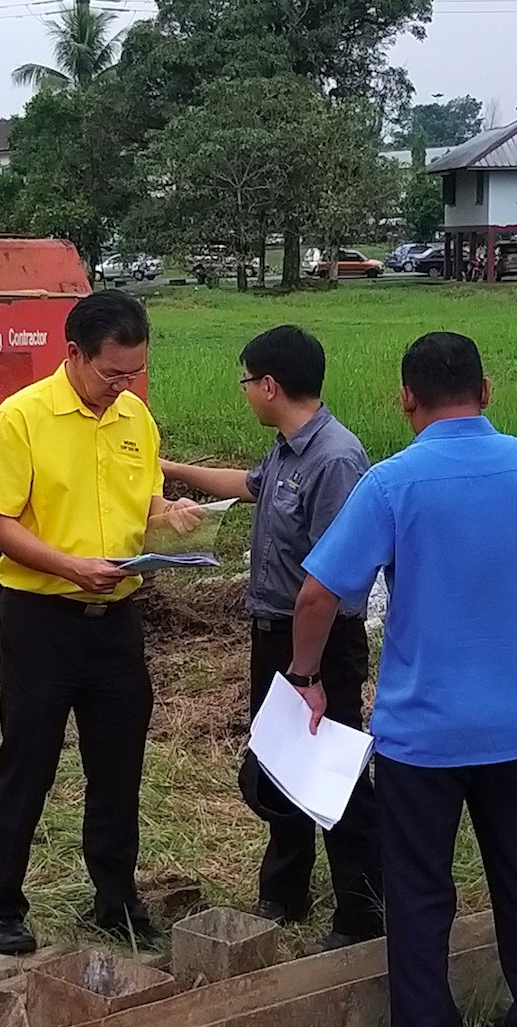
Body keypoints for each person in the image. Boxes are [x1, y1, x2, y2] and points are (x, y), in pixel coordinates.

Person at [289, 331, 517, 1027]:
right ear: (486, 391)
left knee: (419, 891)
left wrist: (305, 674)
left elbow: (317, 594)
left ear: (406, 398)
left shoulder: (393, 484)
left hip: (423, 736)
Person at [0, 290, 206, 954]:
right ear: (73, 353)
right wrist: (69, 567)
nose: (123, 385)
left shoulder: (134, 418)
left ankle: (115, 898)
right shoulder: (22, 418)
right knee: (28, 764)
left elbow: (143, 500)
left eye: (134, 372)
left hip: (116, 622)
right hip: (41, 620)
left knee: (118, 764)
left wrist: (171, 515)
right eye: (111, 373)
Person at [161, 325, 384, 950]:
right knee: (281, 762)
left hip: (317, 639)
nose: (244, 393)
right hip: (274, 632)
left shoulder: (335, 459)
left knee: (332, 773)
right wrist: (169, 468)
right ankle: (285, 892)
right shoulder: (289, 449)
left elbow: (330, 580)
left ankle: (363, 911)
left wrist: (306, 669)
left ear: (268, 385)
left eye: (245, 382)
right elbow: (247, 486)